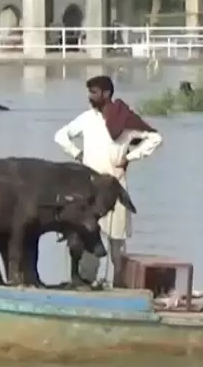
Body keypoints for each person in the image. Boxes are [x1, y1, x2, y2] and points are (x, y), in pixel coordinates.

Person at [54, 75, 162, 283]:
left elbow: (155, 138)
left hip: (115, 186)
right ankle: (84, 283)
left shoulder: (124, 120)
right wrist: (78, 155)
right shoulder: (87, 118)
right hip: (88, 188)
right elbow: (61, 136)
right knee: (86, 236)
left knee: (117, 243)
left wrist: (130, 157)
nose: (90, 97)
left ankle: (119, 284)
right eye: (90, 92)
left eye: (94, 92)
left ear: (106, 94)